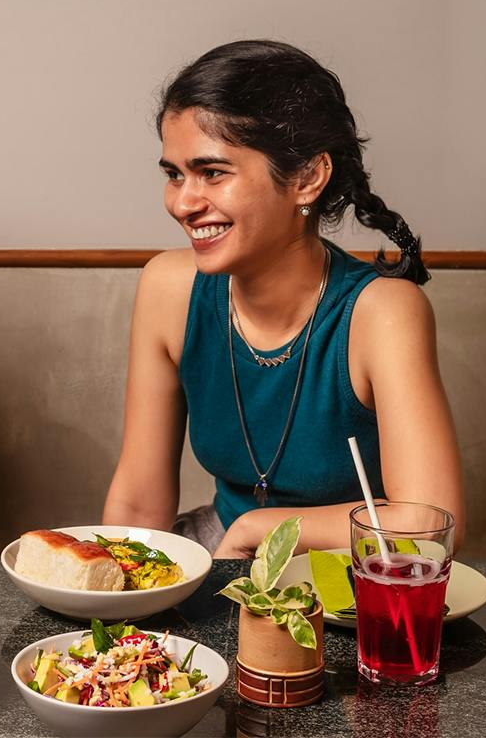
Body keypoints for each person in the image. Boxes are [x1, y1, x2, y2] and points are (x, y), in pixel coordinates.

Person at [103, 40, 464, 557]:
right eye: (174, 174)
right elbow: (139, 505)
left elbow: (432, 523)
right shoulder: (168, 287)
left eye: (213, 172)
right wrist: (119, 619)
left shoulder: (382, 311)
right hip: (221, 548)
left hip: (356, 570)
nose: (183, 202)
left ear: (307, 178)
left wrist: (261, 528)